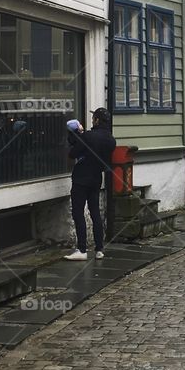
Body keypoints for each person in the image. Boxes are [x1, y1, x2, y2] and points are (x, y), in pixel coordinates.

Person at [64, 107, 116, 261]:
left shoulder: (88, 136)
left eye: (94, 118)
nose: (92, 120)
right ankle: (99, 249)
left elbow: (73, 153)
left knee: (78, 212)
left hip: (81, 179)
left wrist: (77, 134)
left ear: (97, 120)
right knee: (95, 213)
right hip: (96, 179)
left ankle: (82, 249)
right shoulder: (111, 140)